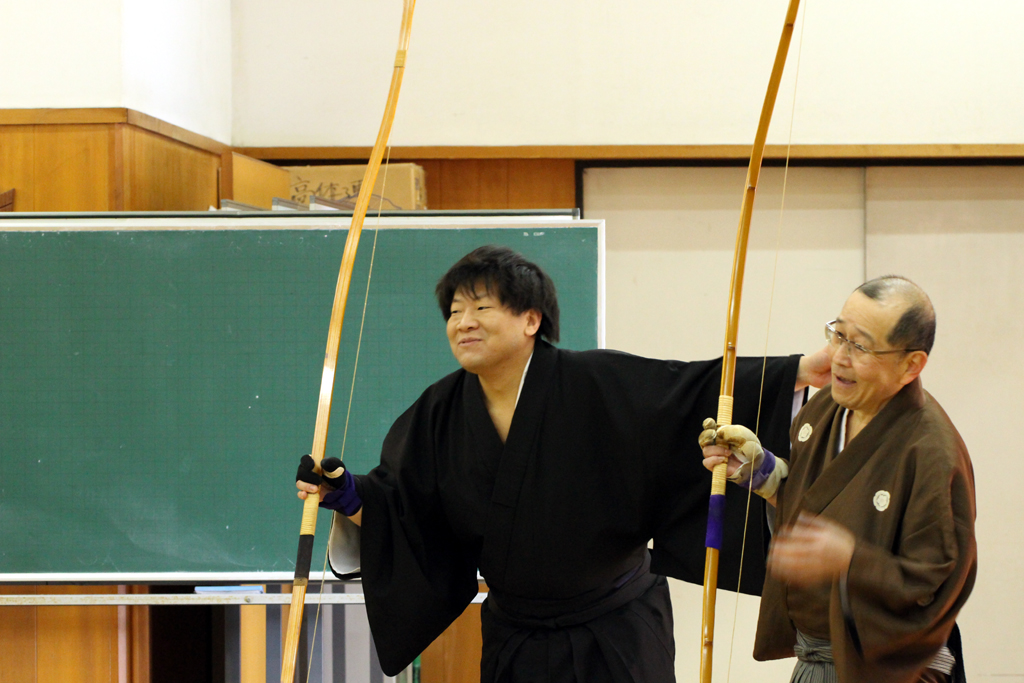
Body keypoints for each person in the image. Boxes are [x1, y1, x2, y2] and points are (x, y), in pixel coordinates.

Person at [296, 245, 829, 682]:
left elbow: (687, 391)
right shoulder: (437, 413)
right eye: (454, 312)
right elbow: (407, 512)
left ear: (531, 319)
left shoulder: (596, 383)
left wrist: (798, 371)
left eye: (481, 308)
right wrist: (351, 498)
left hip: (617, 633)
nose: (463, 323)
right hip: (516, 638)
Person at [702, 276, 976, 683]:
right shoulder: (826, 408)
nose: (840, 357)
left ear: (911, 365)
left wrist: (851, 560)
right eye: (838, 335)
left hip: (886, 669)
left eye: (860, 346)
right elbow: (816, 502)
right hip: (817, 657)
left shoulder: (932, 451)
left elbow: (932, 583)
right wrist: (760, 472)